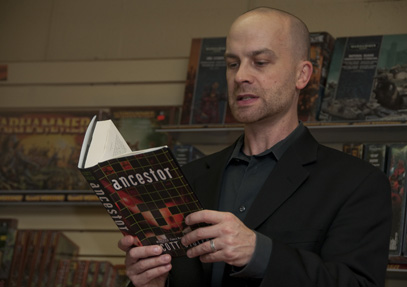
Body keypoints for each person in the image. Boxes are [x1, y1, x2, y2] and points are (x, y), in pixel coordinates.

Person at [118, 7, 392, 287]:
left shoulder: (358, 184)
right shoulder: (187, 179)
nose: (240, 77)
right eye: (233, 64)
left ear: (302, 74)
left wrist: (259, 253)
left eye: (260, 62)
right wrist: (151, 283)